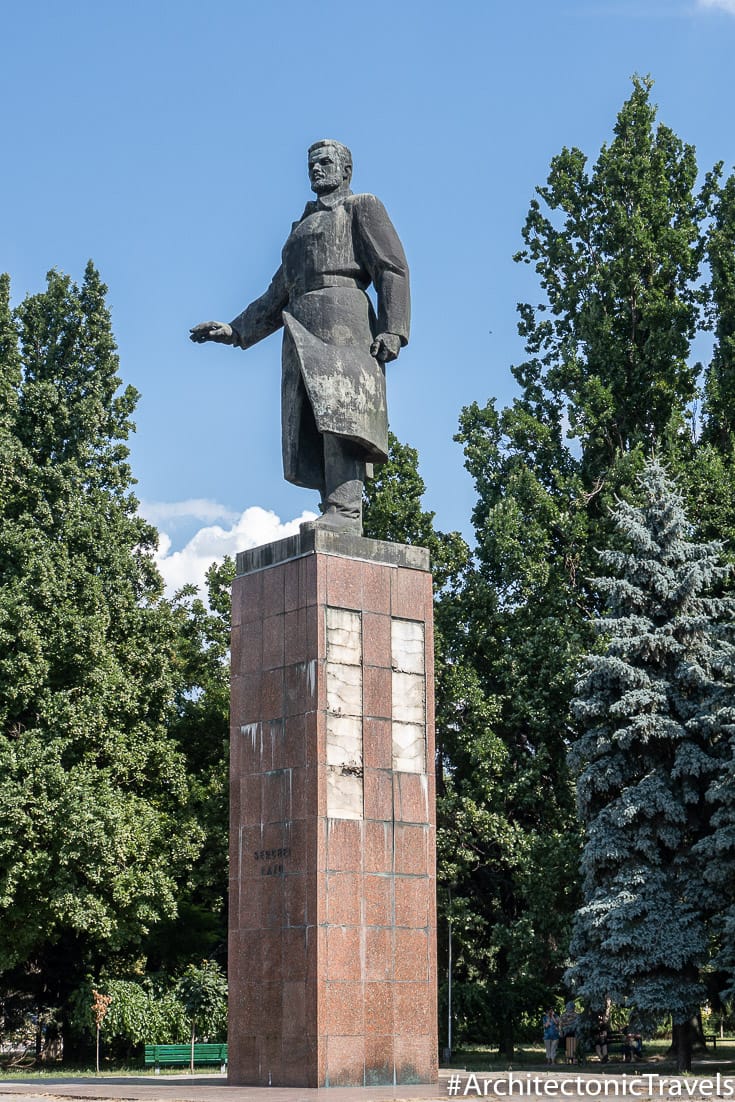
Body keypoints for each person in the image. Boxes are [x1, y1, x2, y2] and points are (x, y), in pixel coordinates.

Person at [190, 139, 410, 536]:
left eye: (326, 162)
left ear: (346, 171)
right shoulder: (301, 227)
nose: (316, 169)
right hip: (300, 324)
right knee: (313, 418)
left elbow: (392, 268)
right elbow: (278, 293)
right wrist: (235, 330)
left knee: (341, 414)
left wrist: (393, 330)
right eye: (311, 163)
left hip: (345, 320)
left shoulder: (362, 206)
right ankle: (332, 504)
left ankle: (346, 510)